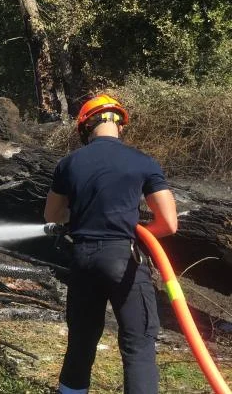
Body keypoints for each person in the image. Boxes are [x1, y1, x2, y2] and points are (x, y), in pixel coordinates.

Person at [44, 95, 178, 394]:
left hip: (82, 260)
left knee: (81, 341)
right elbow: (168, 223)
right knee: (138, 345)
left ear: (85, 127)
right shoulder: (143, 162)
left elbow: (52, 216)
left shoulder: (68, 163)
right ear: (120, 125)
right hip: (124, 259)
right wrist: (140, 233)